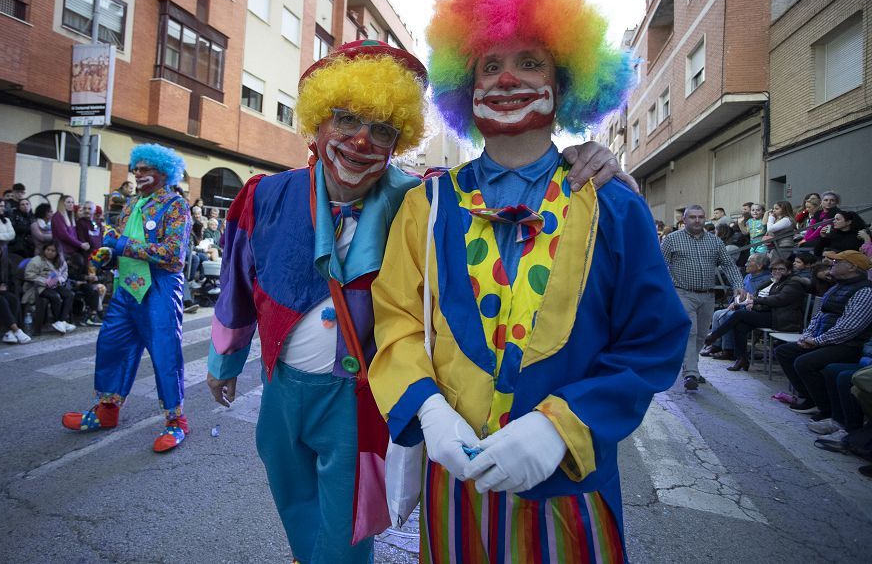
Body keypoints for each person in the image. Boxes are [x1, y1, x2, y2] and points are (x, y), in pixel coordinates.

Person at [207, 38, 629, 564]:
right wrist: (224, 359)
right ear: (317, 123)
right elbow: (237, 283)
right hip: (280, 389)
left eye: (381, 129)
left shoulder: (420, 200)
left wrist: (589, 154)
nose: (361, 141)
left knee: (345, 527)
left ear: (398, 139)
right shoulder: (264, 195)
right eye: (344, 119)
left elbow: (498, 182)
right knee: (292, 500)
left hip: (357, 398)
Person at [367, 0, 690, 562]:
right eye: (490, 65)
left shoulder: (611, 203)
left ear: (564, 84)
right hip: (455, 487)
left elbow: (653, 340)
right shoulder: (427, 204)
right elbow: (397, 319)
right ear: (467, 86)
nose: (508, 78)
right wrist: (428, 409)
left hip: (569, 489)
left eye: (530, 62)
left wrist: (561, 427)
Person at [62, 144, 192, 453]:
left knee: (165, 353)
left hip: (160, 287)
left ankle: (176, 421)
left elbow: (174, 254)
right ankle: (107, 411)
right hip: (126, 288)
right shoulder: (133, 203)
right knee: (111, 346)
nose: (138, 174)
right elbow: (116, 241)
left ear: (163, 172)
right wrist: (107, 253)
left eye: (145, 169)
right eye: (136, 169)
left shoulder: (176, 205)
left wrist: (122, 246)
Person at [775, 250, 872, 421]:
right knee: (784, 351)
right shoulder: (837, 287)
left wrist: (817, 341)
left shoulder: (865, 291)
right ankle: (810, 397)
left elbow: (849, 328)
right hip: (825, 339)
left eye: (837, 262)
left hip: (849, 345)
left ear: (852, 267)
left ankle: (825, 407)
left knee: (805, 362)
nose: (832, 264)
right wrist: (808, 335)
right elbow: (820, 315)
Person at [663, 205, 746, 389]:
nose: (697, 220)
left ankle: (690, 365)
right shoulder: (671, 239)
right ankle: (691, 374)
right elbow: (660, 265)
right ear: (684, 220)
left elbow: (729, 265)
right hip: (683, 293)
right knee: (690, 332)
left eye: (700, 217)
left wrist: (738, 285)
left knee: (701, 335)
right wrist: (666, 289)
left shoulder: (714, 242)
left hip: (708, 295)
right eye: (692, 217)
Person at [704, 258, 807, 371]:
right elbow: (759, 297)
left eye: (781, 269)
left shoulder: (793, 284)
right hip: (768, 314)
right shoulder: (773, 282)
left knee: (739, 315)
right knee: (740, 326)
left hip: (783, 320)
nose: (777, 271)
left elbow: (779, 300)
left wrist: (755, 301)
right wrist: (753, 303)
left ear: (789, 271)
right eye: (774, 269)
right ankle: (741, 359)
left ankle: (714, 336)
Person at [23, 242, 77, 335]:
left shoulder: (60, 261)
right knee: (55, 296)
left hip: (55, 285)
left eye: (53, 251)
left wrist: (59, 280)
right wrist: (44, 281)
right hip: (39, 287)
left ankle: (62, 321)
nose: (50, 252)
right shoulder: (37, 260)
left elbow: (64, 273)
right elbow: (29, 275)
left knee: (69, 294)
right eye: (48, 250)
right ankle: (57, 321)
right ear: (44, 250)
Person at [51, 195, 87, 259]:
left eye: (72, 202)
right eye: (68, 202)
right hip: (63, 251)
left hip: (72, 250)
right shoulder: (57, 216)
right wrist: (80, 244)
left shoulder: (71, 216)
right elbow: (64, 235)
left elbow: (74, 235)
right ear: (62, 203)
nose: (71, 204)